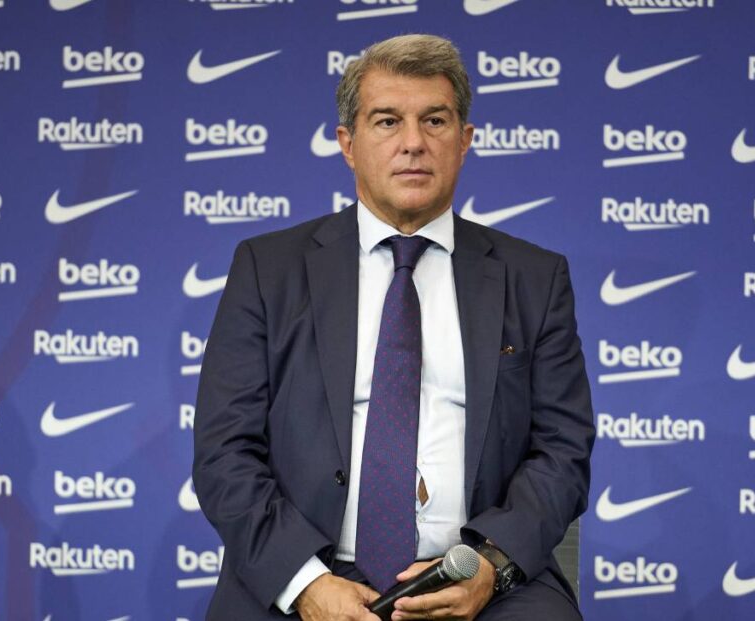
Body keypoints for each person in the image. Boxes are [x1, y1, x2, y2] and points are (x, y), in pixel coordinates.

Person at [193, 34, 594, 621]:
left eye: (435, 120)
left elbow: (562, 449)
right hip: (310, 571)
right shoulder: (267, 269)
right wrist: (306, 585)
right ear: (348, 144)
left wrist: (489, 565)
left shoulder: (534, 277)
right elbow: (223, 453)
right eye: (387, 121)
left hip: (477, 576)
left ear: (465, 140)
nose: (413, 143)